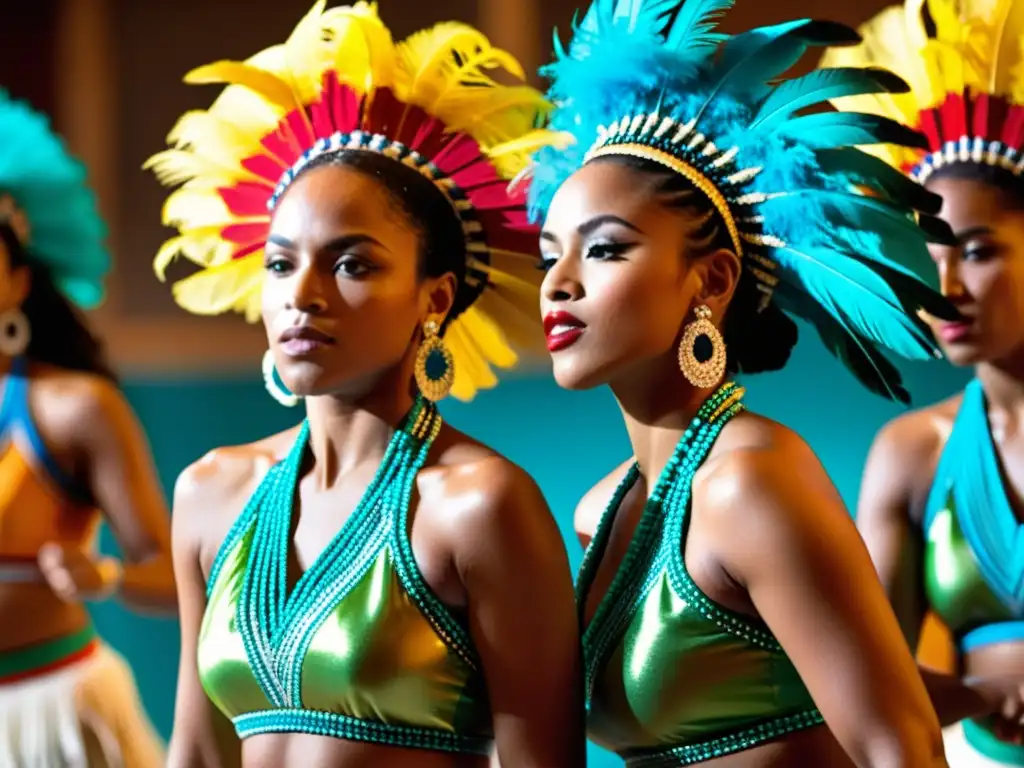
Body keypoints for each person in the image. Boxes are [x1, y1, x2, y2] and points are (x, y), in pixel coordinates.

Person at [526, 0, 967, 764]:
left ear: (713, 280)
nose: (557, 285)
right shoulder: (601, 512)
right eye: (547, 257)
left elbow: (903, 748)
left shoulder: (752, 481)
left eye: (603, 251)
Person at [147, 2, 583, 767]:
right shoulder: (208, 493)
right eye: (281, 264)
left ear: (435, 298)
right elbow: (196, 752)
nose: (301, 295)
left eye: (352, 264)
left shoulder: (480, 505)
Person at [822, 0, 1024, 764]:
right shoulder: (912, 451)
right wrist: (981, 697)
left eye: (976, 251)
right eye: (929, 254)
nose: (945, 287)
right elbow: (871, 680)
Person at [0, 90, 171, 765]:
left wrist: (101, 574)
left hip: (59, 714)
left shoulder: (73, 406)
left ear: (17, 282)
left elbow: (171, 577)